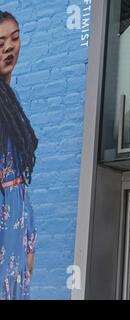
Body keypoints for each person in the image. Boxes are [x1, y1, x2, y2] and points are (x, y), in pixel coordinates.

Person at [0, 10, 38, 300]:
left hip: (16, 218)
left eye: (14, 38)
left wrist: (29, 241)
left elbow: (22, 183)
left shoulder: (13, 101)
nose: (9, 47)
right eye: (0, 42)